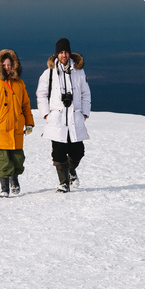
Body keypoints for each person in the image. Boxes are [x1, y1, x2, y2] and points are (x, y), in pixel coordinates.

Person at [36, 37, 91, 193]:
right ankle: (63, 183)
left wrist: (85, 113)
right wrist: (46, 114)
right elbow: (41, 94)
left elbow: (86, 93)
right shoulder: (49, 73)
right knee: (58, 152)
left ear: (69, 53)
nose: (64, 55)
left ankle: (71, 170)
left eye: (66, 52)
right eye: (60, 52)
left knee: (78, 152)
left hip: (75, 118)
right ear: (56, 54)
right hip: (57, 120)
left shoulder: (79, 72)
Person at [0, 48, 34, 198]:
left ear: (15, 65)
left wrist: (29, 123)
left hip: (16, 128)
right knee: (4, 160)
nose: (7, 67)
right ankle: (4, 189)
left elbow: (26, 105)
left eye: (10, 64)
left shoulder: (20, 84)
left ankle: (14, 178)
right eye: (4, 65)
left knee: (18, 158)